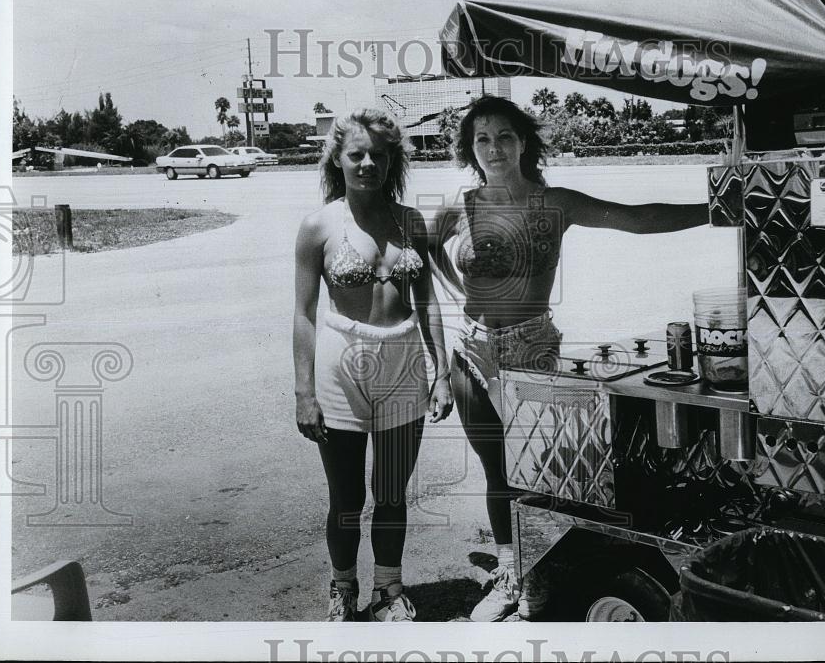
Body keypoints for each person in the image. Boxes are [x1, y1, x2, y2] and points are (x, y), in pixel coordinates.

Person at [429, 95, 709, 621]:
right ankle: (511, 573)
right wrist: (448, 299)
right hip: (470, 350)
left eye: (505, 136)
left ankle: (541, 572)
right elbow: (415, 249)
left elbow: (637, 218)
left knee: (535, 474)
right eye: (482, 138)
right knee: (496, 472)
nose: (494, 148)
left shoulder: (555, 201)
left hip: (531, 347)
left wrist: (714, 211)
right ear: (470, 148)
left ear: (525, 142)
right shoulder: (459, 207)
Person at [293, 108, 453, 623]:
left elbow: (427, 302)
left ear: (393, 161)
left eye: (379, 156)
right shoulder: (318, 225)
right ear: (337, 159)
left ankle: (389, 590)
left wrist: (442, 372)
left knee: (390, 492)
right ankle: (343, 589)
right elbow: (304, 313)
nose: (368, 164)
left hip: (405, 364)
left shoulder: (410, 222)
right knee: (345, 495)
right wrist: (304, 393)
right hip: (342, 369)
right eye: (357, 154)